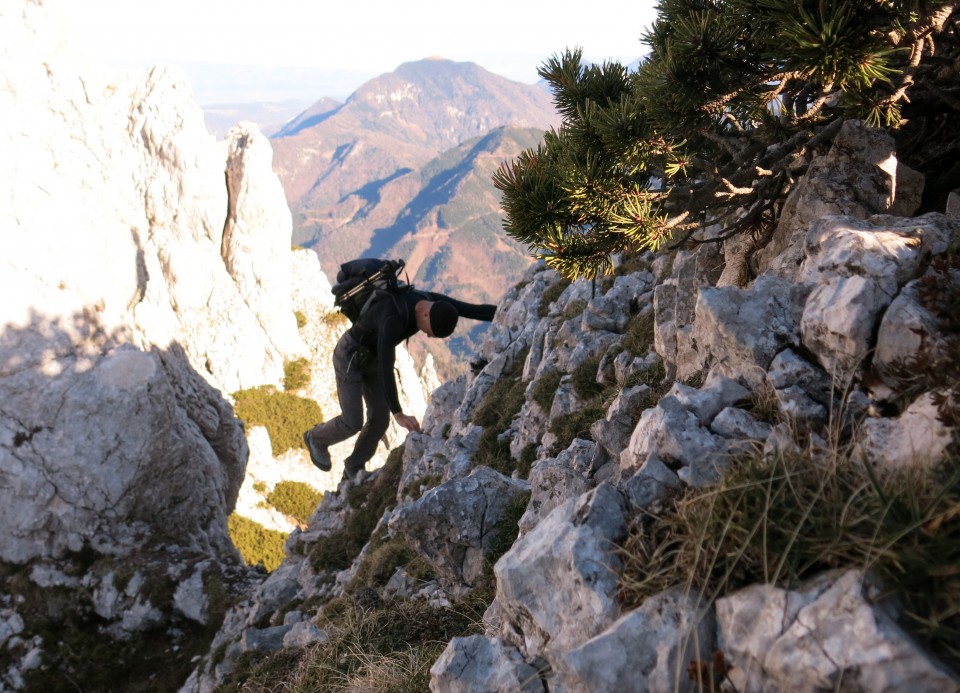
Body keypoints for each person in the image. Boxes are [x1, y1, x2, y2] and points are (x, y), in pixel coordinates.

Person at [303, 287, 496, 482]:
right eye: (430, 331)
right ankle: (316, 438)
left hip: (373, 358)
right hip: (350, 357)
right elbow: (386, 367)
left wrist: (504, 311)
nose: (428, 336)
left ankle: (353, 466)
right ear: (426, 314)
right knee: (352, 422)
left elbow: (472, 310)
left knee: (379, 420)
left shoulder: (430, 300)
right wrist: (398, 412)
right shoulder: (393, 318)